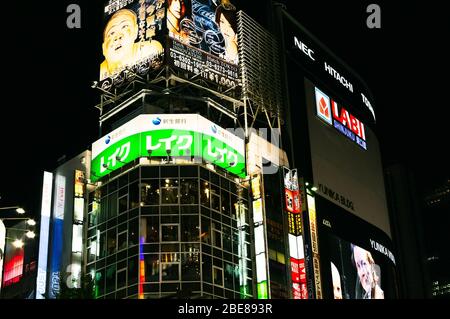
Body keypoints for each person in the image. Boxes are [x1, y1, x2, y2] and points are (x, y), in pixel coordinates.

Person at [100, 9, 163, 80]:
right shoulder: (102, 72)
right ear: (104, 48)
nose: (118, 37)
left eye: (124, 27)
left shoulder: (149, 49)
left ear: (135, 31)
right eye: (111, 33)